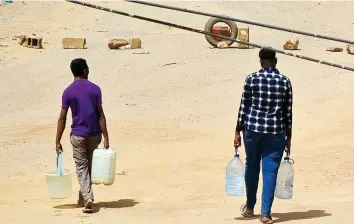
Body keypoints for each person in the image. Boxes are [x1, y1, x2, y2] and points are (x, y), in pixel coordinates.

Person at [234, 49, 293, 223]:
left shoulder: (252, 78)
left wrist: (237, 130)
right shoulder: (284, 81)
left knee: (252, 166)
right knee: (270, 171)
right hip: (275, 131)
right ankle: (265, 213)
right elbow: (288, 112)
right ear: (275, 61)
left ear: (261, 62)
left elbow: (244, 107)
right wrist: (289, 136)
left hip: (252, 129)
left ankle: (250, 206)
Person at [55, 58, 109, 213]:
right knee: (90, 166)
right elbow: (101, 115)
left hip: (78, 135)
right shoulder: (95, 89)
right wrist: (106, 137)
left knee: (81, 166)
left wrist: (57, 141)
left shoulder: (68, 91)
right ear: (86, 70)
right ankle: (83, 197)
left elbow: (62, 118)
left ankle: (87, 196)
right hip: (94, 134)